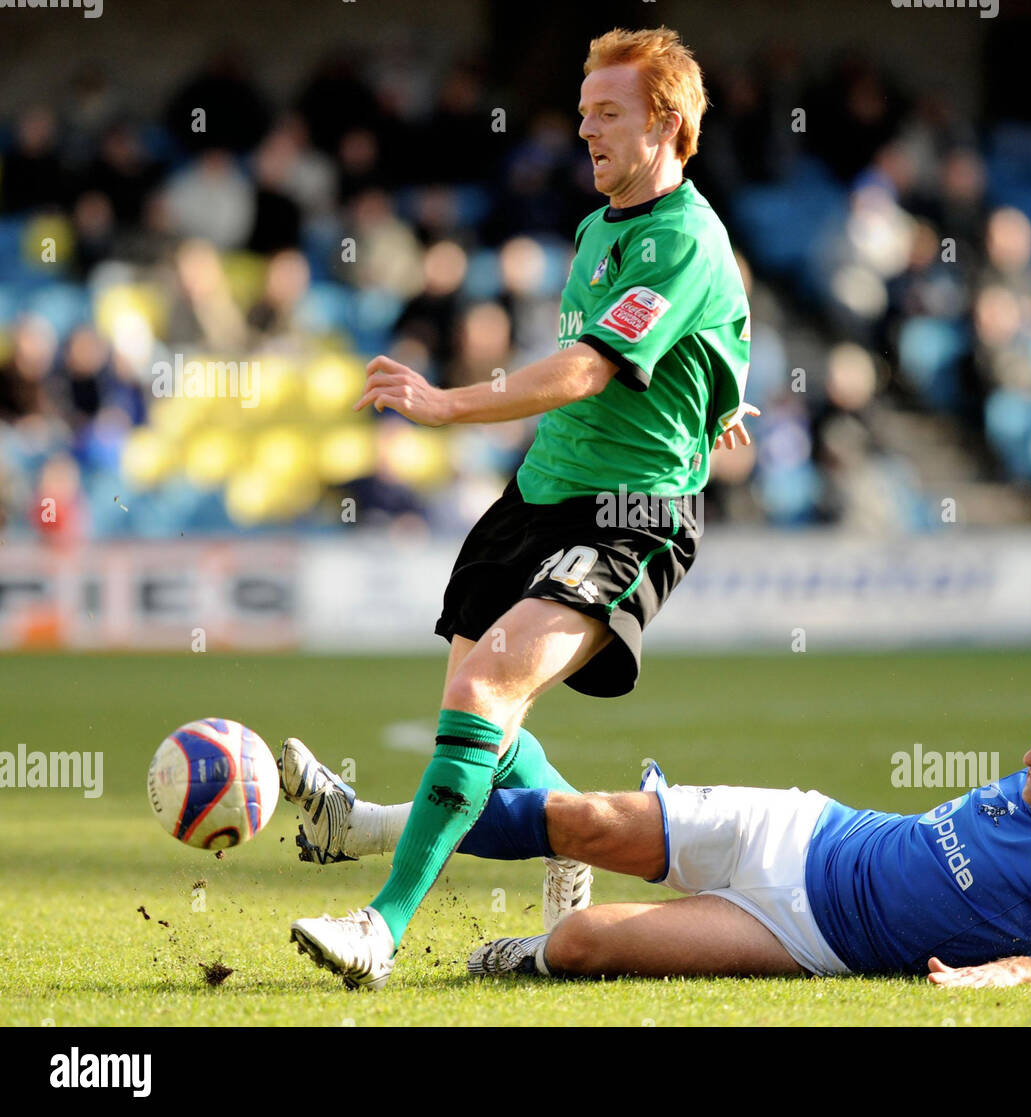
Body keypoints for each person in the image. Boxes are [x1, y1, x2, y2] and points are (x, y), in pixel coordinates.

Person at [287, 26, 756, 988]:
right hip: (534, 498)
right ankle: (565, 841)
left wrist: (448, 403)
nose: (585, 131)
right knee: (484, 719)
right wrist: (712, 401)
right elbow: (697, 345)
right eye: (583, 114)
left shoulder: (687, 236)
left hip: (629, 517)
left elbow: (590, 368)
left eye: (608, 114)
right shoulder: (598, 229)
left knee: (485, 690)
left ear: (668, 123)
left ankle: (380, 927)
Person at [284, 662, 1031, 988]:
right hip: (798, 826)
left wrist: (1003, 976)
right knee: (578, 819)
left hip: (803, 932)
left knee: (584, 940)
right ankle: (354, 824)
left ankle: (523, 948)